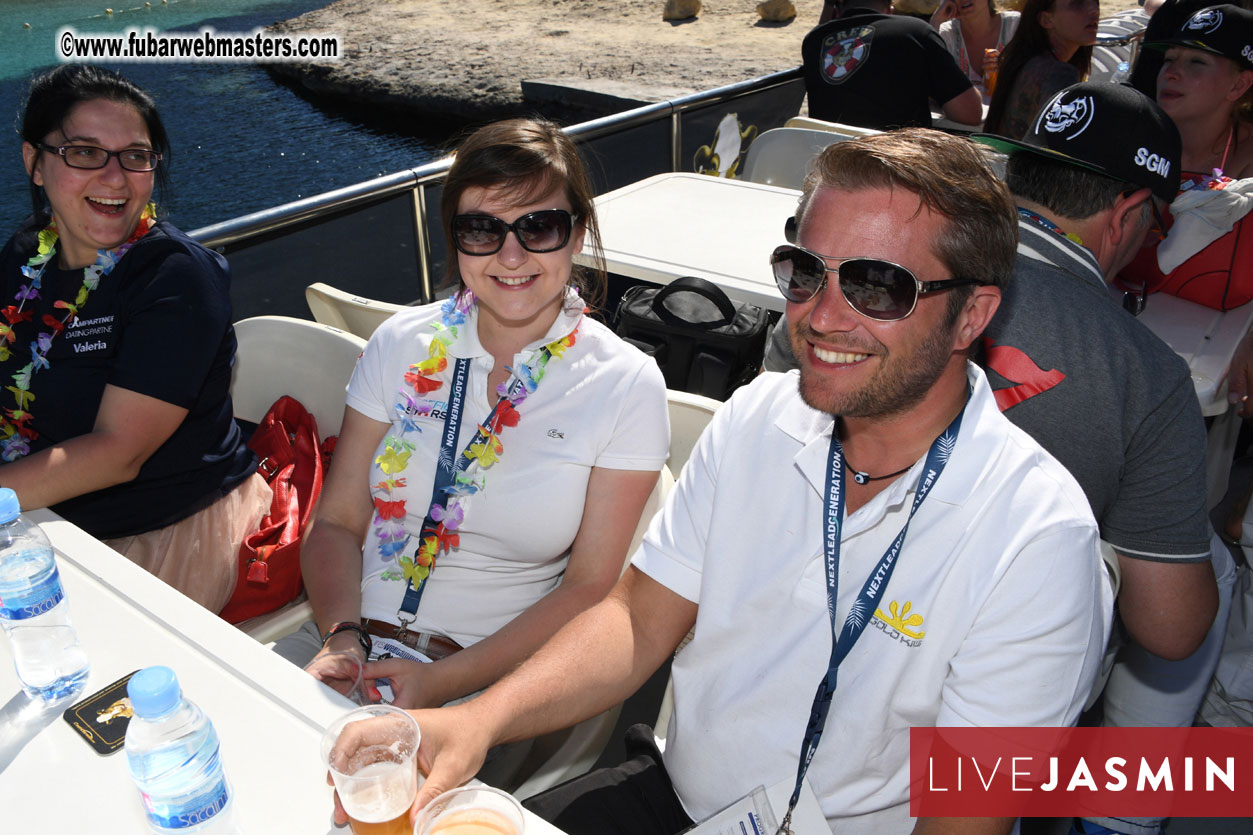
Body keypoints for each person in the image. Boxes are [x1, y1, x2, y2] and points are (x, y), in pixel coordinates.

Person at [390, 129, 1112, 835]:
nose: (821, 316)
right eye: (805, 272)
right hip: (673, 797)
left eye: (876, 286)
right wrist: (476, 720)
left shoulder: (1037, 541)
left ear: (971, 315)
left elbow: (963, 819)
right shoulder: (758, 415)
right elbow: (637, 621)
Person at [276, 117, 670, 715]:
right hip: (343, 637)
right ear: (456, 239)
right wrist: (341, 639)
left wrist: (442, 683)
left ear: (578, 234)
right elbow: (337, 521)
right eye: (482, 229)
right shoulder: (399, 342)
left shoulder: (625, 384)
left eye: (540, 226)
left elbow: (588, 587)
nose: (511, 255)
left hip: (485, 680)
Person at [973, 81, 1233, 835]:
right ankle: (1121, 820)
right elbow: (1171, 630)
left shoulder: (868, 277)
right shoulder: (1145, 375)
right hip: (984, 735)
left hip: (806, 637)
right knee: (1202, 572)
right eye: (1153, 227)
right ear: (1127, 213)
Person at [0, 65, 265, 613]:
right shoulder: (30, 249)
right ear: (35, 162)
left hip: (158, 533)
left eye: (135, 156)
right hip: (41, 509)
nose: (116, 178)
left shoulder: (176, 278)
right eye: (85, 152)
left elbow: (118, 452)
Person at [1117, 5, 1253, 312]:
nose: (1171, 73)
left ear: (1238, 85)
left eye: (1196, 62)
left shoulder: (1249, 159)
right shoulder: (1129, 140)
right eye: (1169, 59)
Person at [801, 0, 984, 130]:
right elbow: (970, 114)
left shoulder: (813, 42)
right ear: (890, 10)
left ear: (838, 8)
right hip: (896, 164)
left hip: (831, 160)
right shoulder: (914, 33)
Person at [982, 0, 1099, 139]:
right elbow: (1060, 142)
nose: (1094, 9)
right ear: (1046, 20)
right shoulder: (1058, 73)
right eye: (1077, 3)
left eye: (1095, 1)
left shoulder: (1021, 61)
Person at [930, 0, 1022, 101]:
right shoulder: (946, 33)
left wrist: (1006, 68)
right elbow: (927, 82)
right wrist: (935, 21)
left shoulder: (1014, 25)